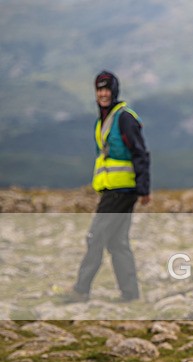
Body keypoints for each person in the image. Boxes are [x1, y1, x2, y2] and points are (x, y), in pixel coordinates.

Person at [63, 71, 151, 303]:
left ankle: (81, 290)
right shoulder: (105, 118)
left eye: (106, 89)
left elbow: (140, 153)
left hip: (121, 191)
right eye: (99, 89)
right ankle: (130, 295)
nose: (103, 93)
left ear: (114, 91)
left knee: (96, 238)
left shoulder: (124, 118)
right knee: (117, 242)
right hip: (114, 190)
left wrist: (144, 189)